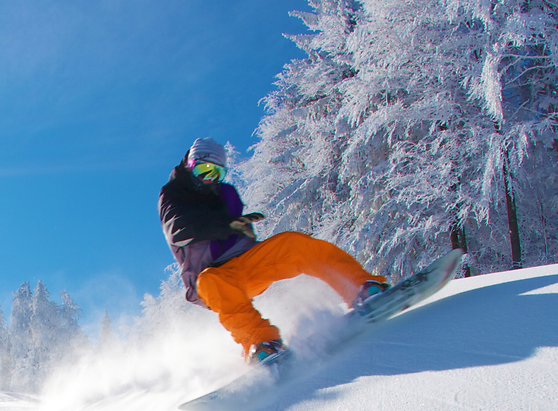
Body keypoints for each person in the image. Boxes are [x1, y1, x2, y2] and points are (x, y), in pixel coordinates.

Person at [158, 137, 388, 365]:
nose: (209, 179)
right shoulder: (173, 195)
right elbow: (179, 229)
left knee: (293, 243)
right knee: (211, 281)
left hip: (247, 264)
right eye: (203, 170)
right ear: (190, 164)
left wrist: (240, 227)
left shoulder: (225, 194)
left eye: (216, 173)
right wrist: (225, 225)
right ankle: (261, 344)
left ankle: (360, 289)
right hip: (214, 278)